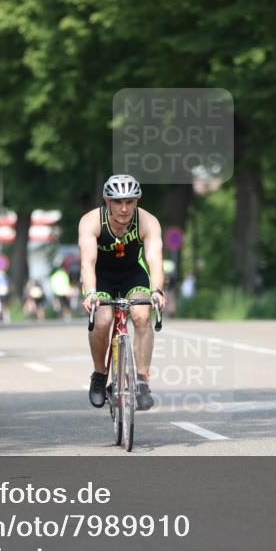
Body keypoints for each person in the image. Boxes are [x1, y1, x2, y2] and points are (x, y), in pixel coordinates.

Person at [79, 174, 165, 411]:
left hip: (132, 275)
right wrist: (91, 293)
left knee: (142, 315)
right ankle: (99, 375)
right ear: (108, 201)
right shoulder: (91, 221)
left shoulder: (148, 222)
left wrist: (157, 291)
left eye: (130, 201)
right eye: (118, 202)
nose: (124, 208)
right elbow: (87, 262)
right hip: (101, 277)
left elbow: (154, 260)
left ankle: (142, 381)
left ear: (137, 200)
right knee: (102, 320)